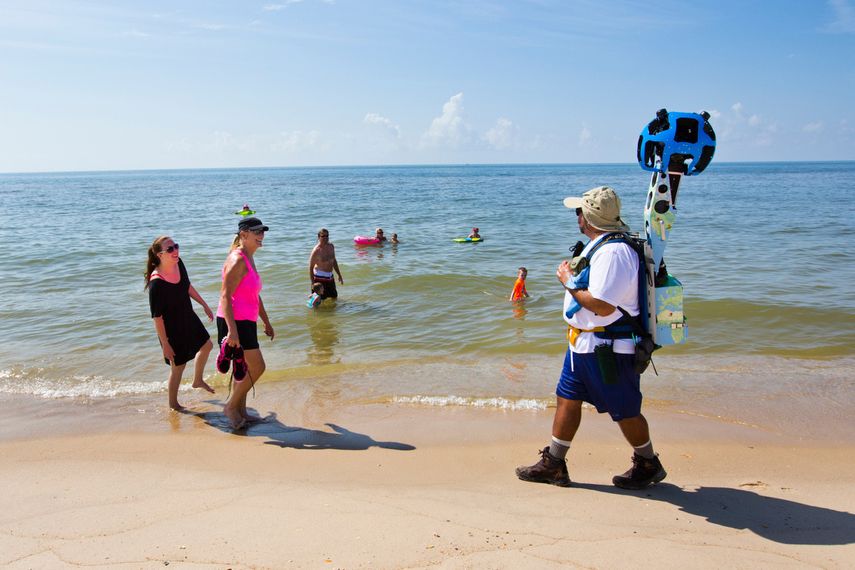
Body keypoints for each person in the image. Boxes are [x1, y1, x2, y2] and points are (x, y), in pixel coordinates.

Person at [515, 186, 666, 490]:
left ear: (588, 217)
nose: (576, 217)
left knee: (625, 411)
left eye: (579, 212)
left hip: (607, 349)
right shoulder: (600, 245)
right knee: (567, 399)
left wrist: (568, 282)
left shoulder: (613, 252)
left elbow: (602, 305)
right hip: (584, 344)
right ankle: (554, 464)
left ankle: (648, 463)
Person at [144, 236, 215, 411]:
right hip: (171, 330)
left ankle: (197, 380)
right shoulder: (156, 284)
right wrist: (165, 344)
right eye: (170, 249)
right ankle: (173, 404)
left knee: (207, 345)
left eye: (176, 246)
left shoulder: (179, 263)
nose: (175, 251)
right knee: (178, 367)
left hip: (188, 317)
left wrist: (204, 304)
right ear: (159, 255)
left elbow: (187, 286)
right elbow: (157, 317)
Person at [217, 217, 275, 429]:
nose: (261, 235)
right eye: (257, 232)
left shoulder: (249, 257)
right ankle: (231, 406)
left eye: (263, 231)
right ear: (244, 235)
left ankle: (241, 411)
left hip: (246, 321)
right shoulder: (238, 259)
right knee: (258, 367)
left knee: (244, 368)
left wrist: (266, 322)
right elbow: (225, 296)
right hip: (234, 321)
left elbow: (254, 295)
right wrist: (232, 331)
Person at [309, 228, 344, 299]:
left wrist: (339, 274)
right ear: (319, 237)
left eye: (327, 236)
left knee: (334, 297)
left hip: (330, 277)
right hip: (319, 278)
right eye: (323, 236)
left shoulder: (331, 246)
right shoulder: (316, 251)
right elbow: (310, 268)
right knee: (319, 300)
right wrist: (313, 283)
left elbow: (334, 261)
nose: (325, 238)